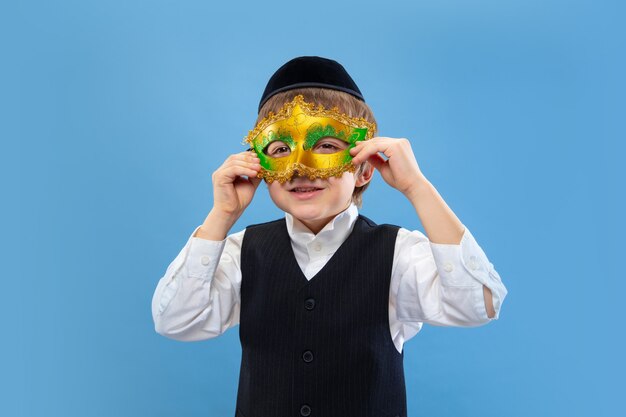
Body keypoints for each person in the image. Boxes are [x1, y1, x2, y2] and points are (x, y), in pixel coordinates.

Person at [152, 56, 508, 417]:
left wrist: (417, 187)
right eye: (280, 148)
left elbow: (478, 304)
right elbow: (176, 320)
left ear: (365, 169)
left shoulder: (399, 253)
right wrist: (222, 215)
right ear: (258, 163)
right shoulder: (241, 251)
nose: (301, 167)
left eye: (326, 146)